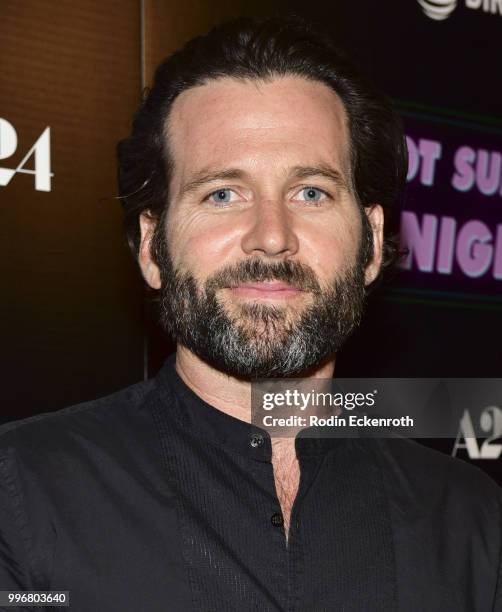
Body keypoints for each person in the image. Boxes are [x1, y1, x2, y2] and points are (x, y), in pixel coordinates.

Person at [0, 16, 500, 612]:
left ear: (370, 242)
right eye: (222, 194)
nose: (271, 237)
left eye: (310, 193)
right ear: (153, 248)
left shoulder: (471, 518)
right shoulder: (22, 494)